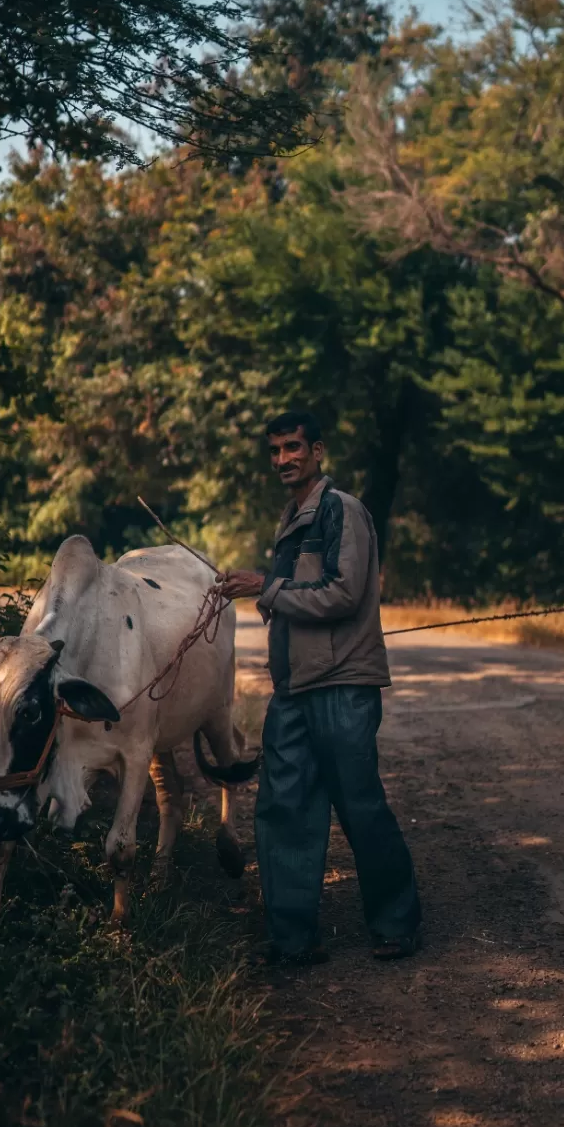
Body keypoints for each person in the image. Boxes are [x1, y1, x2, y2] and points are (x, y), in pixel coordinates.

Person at [217, 409, 421, 967]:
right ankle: (292, 939)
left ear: (318, 451)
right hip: (293, 690)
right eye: (276, 450)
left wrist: (265, 585)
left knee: (359, 805)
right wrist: (256, 589)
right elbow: (292, 596)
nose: (283, 459)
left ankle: (397, 924)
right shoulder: (292, 519)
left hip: (343, 686)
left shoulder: (341, 511)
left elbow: (343, 594)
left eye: (293, 447)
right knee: (284, 809)